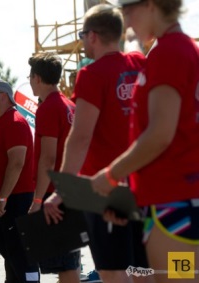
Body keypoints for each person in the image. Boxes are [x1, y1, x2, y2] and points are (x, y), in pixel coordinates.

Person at [91, 1, 199, 282]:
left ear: (151, 5)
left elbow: (160, 134)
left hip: (173, 204)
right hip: (175, 201)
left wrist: (112, 175)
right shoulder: (181, 49)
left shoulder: (169, 52)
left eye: (128, 10)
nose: (125, 20)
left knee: (176, 280)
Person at [43, 4, 149, 283]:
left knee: (113, 269)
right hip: (142, 182)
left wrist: (61, 190)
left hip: (103, 187)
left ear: (92, 36)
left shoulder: (92, 75)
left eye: (82, 33)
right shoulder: (140, 63)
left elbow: (80, 137)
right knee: (142, 265)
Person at [26, 53, 79, 283]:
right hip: (70, 190)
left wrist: (37, 200)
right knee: (68, 262)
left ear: (37, 77)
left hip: (54, 195)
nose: (29, 81)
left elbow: (48, 157)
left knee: (64, 266)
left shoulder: (48, 108)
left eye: (30, 76)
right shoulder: (69, 105)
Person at [0, 79, 40, 283]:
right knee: (10, 252)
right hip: (7, 198)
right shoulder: (2, 123)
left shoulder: (14, 122)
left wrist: (3, 197)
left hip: (16, 199)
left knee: (22, 253)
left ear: (3, 96)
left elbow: (17, 163)